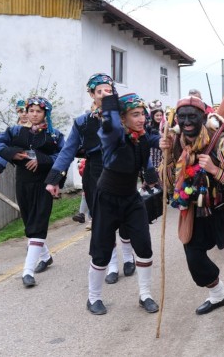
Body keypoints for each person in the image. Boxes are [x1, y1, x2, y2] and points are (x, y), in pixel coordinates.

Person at [163, 95, 224, 331]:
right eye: (182, 117)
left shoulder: (223, 143)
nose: (187, 122)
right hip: (197, 208)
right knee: (193, 256)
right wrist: (165, 157)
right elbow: (168, 184)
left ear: (203, 117)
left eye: (192, 117)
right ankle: (217, 294)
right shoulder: (175, 144)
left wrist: (215, 170)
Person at [45, 73, 136, 285]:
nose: (104, 94)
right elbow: (67, 151)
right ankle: (112, 265)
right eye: (99, 91)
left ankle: (128, 256)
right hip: (95, 173)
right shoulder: (83, 122)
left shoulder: (124, 116)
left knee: (124, 217)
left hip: (121, 170)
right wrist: (53, 179)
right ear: (92, 95)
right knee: (103, 221)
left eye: (108, 90)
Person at [84, 92, 160, 316]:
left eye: (142, 114)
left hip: (132, 198)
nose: (141, 119)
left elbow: (151, 145)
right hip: (107, 199)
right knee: (102, 250)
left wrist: (165, 143)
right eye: (135, 115)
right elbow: (110, 126)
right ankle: (93, 298)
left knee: (144, 246)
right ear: (123, 118)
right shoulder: (113, 136)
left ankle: (145, 295)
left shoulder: (142, 136)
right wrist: (109, 100)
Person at [0, 97, 65, 288]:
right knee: (30, 222)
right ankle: (45, 257)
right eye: (31, 111)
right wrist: (4, 160)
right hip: (23, 182)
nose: (34, 114)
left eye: (39, 111)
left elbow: (64, 155)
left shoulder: (55, 135)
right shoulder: (15, 131)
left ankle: (27, 272)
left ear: (45, 113)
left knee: (38, 224)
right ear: (27, 112)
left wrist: (42, 160)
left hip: (44, 183)